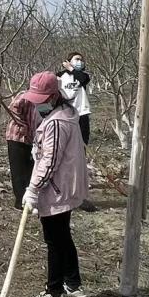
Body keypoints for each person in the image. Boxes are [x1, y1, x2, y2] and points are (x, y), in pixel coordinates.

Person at [20, 71, 89, 297]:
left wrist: (33, 189)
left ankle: (54, 293)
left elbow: (50, 161)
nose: (36, 103)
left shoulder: (57, 122)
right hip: (65, 186)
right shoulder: (66, 113)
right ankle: (73, 285)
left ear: (52, 96)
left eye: (39, 98)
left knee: (54, 240)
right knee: (62, 236)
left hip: (57, 188)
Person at [58, 51, 97, 212]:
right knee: (66, 154)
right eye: (77, 59)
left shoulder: (82, 76)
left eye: (82, 59)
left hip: (82, 117)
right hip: (66, 117)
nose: (80, 61)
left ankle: (79, 195)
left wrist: (73, 69)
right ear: (68, 61)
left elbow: (83, 79)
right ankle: (64, 192)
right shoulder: (59, 77)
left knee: (80, 154)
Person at [4, 81, 42, 208]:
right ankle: (20, 201)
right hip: (17, 137)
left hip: (30, 139)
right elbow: (13, 108)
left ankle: (29, 199)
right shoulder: (24, 96)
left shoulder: (41, 101)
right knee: (18, 170)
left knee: (29, 169)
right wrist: (23, 124)